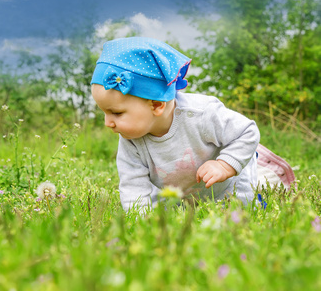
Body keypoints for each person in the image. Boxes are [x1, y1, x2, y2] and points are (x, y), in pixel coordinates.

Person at [91, 37, 268, 212]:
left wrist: (224, 165)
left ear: (156, 105)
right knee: (181, 217)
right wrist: (141, 222)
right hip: (185, 194)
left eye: (116, 113)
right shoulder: (131, 140)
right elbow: (133, 186)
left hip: (228, 187)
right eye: (104, 112)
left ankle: (267, 170)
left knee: (238, 213)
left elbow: (247, 131)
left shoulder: (201, 114)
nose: (108, 123)